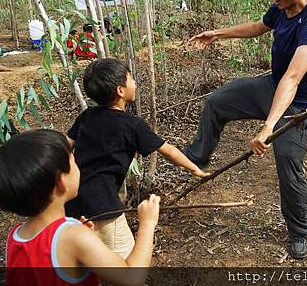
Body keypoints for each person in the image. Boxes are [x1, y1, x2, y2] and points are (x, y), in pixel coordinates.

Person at [185, 0, 307, 260]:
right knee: (217, 102)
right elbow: (259, 27)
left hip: (301, 103)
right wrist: (218, 33)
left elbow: (293, 78)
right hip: (273, 86)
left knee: (287, 160)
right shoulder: (281, 9)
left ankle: (300, 230)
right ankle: (197, 158)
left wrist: (268, 127)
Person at [65, 58, 209, 258]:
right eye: (131, 79)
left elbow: (64, 145)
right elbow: (168, 151)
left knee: (84, 257)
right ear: (120, 91)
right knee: (127, 261)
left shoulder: (87, 116)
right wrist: (194, 168)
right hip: (103, 206)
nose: (135, 83)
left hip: (70, 201)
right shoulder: (132, 125)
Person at [0, 129, 160, 286]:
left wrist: (81, 244)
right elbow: (132, 278)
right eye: (74, 160)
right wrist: (147, 223)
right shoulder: (74, 236)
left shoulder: (15, 237)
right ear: (61, 182)